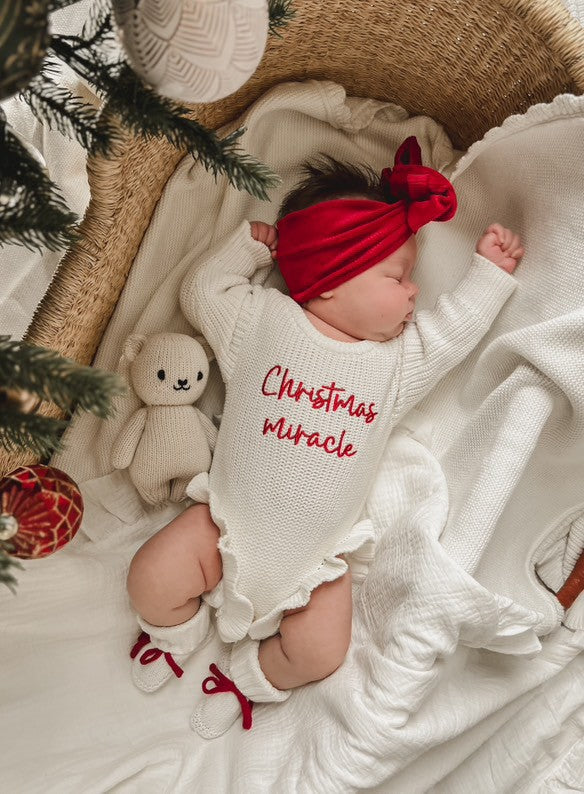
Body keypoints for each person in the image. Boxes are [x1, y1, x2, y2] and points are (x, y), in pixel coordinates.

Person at [126, 136, 524, 737]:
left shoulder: (394, 364)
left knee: (319, 653)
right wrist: (246, 250)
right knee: (150, 578)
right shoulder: (263, 322)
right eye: (399, 275)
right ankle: (173, 633)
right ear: (333, 278)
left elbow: (455, 333)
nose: (415, 292)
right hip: (226, 524)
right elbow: (204, 292)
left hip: (316, 562)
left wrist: (488, 277)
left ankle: (249, 679)